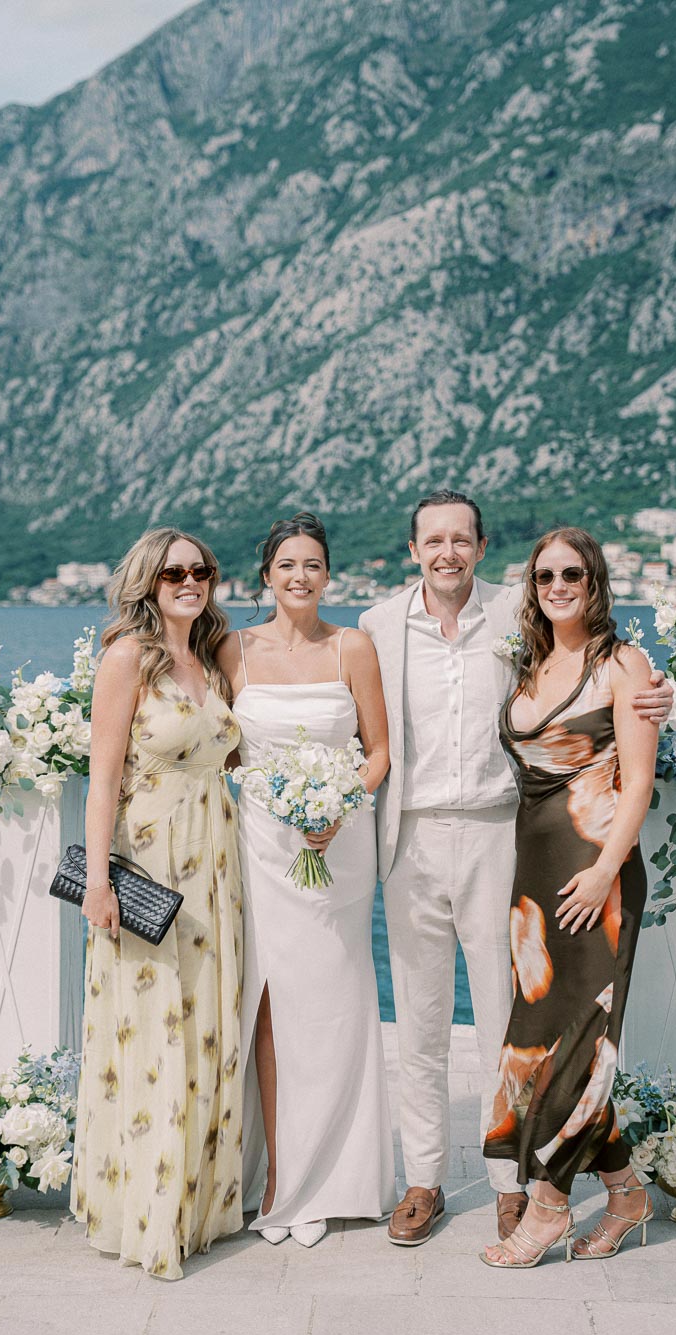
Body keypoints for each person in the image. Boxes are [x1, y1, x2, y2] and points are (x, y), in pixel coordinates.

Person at [359, 490, 673, 1247]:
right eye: (432, 539)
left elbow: (610, 677)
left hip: (506, 840)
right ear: (413, 550)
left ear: (481, 546)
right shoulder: (375, 627)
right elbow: (345, 720)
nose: (447, 552)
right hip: (410, 842)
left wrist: (674, 697)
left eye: (461, 539)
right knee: (422, 1023)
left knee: (514, 1021)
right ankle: (425, 1181)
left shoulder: (516, 612)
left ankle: (513, 1186)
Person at [218, 512, 397, 1249]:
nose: (301, 576)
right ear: (266, 574)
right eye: (287, 564)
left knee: (333, 1005)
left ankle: (336, 1179)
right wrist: (269, 799)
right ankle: (278, 1179)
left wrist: (338, 804)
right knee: (271, 1005)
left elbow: (379, 751)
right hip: (261, 849)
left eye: (314, 565)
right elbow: (223, 751)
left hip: (338, 848)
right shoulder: (234, 649)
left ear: (328, 575)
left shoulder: (353, 645)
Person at [481, 527, 658, 1268]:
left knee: (577, 1045)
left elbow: (639, 783)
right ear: (533, 585)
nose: (559, 586)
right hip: (535, 882)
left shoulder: (624, 665)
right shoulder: (529, 664)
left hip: (597, 879)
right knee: (539, 1040)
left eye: (573, 575)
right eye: (547, 574)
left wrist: (603, 871)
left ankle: (550, 1205)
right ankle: (626, 1195)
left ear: (595, 585)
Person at [71, 527, 244, 1281]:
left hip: (217, 862)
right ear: (148, 581)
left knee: (206, 1024)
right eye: (174, 571)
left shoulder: (209, 660)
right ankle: (150, 1214)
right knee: (152, 1033)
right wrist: (100, 884)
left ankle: (199, 1208)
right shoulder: (126, 660)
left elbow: (229, 756)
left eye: (200, 570)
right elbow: (102, 775)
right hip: (150, 857)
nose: (189, 580)